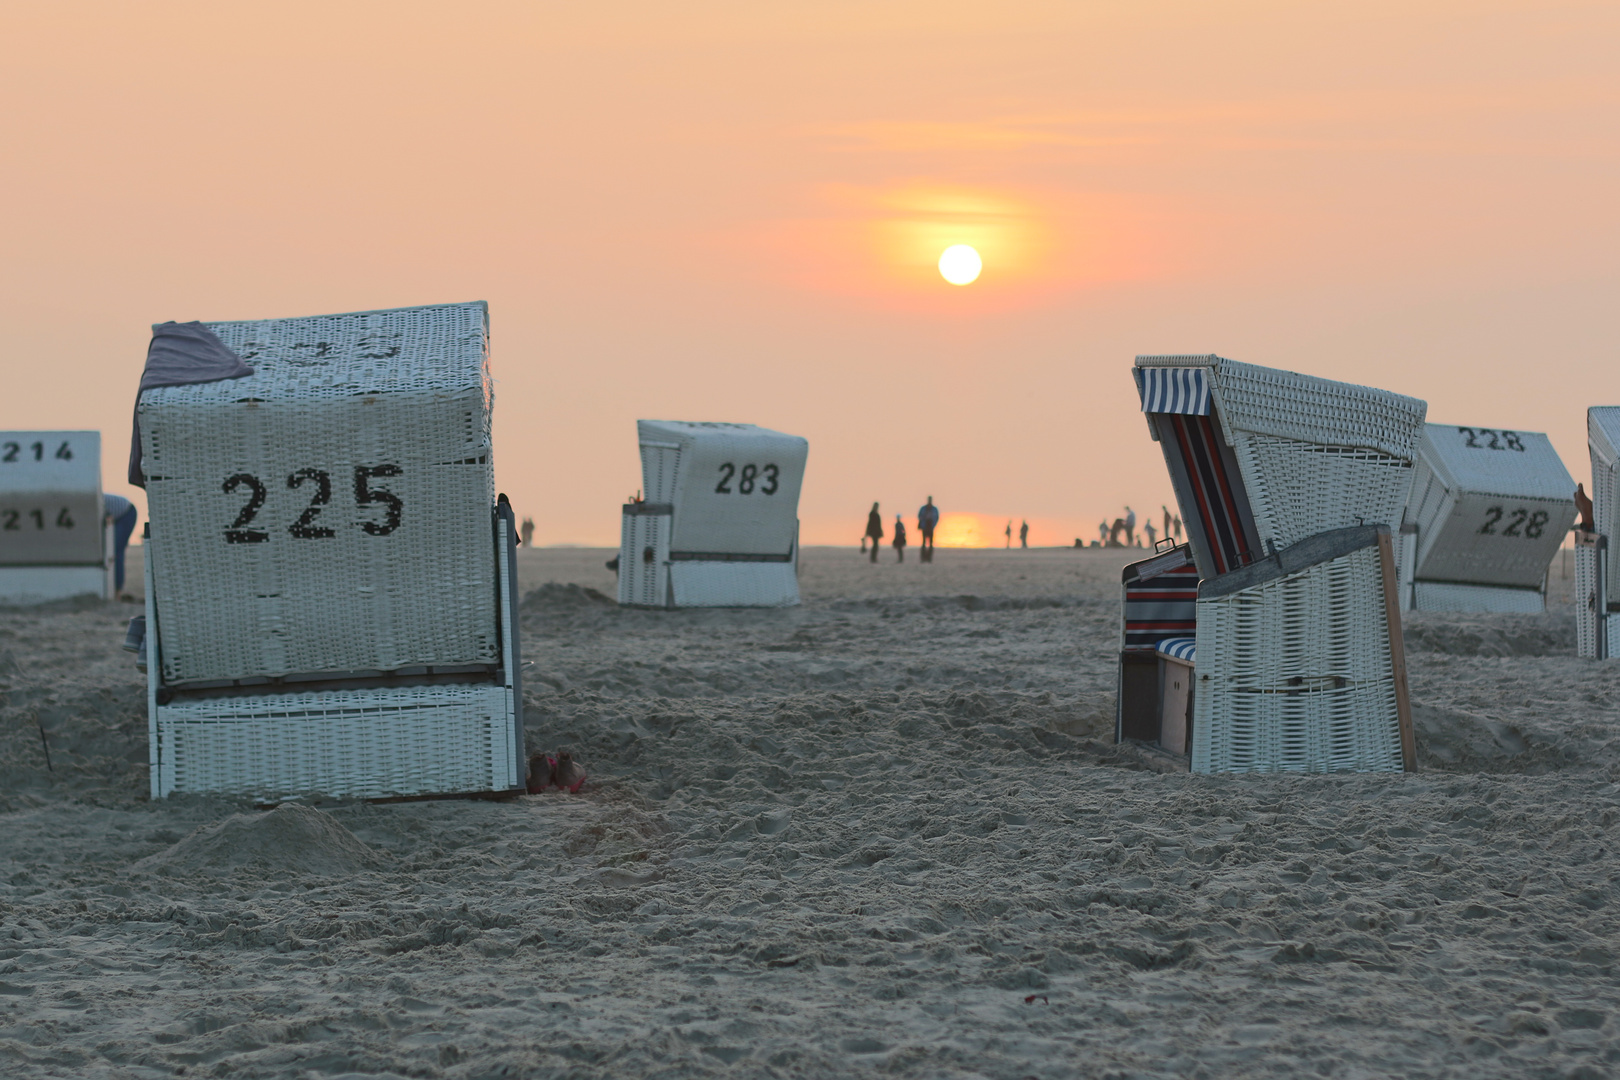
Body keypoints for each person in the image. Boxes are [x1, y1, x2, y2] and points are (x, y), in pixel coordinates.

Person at [102, 494, 138, 597]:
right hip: (118, 513)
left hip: (126, 513)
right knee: (112, 550)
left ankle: (117, 590)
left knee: (116, 551)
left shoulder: (95, 501)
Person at [917, 496, 939, 562]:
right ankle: (923, 558)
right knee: (923, 543)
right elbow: (920, 516)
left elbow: (936, 518)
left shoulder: (934, 509)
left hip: (930, 528)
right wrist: (923, 524)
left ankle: (929, 558)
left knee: (931, 544)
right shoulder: (923, 508)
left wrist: (933, 525)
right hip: (924, 527)